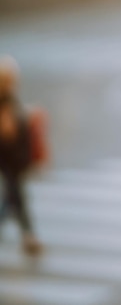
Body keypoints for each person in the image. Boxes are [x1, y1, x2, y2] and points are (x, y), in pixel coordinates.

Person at [0, 55, 42, 256]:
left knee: (13, 197)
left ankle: (28, 235)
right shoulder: (4, 101)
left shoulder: (10, 99)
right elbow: (9, 131)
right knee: (15, 195)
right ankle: (28, 235)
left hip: (15, 158)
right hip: (9, 157)